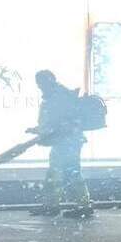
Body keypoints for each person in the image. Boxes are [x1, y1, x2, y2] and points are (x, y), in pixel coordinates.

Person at [29, 70, 92, 217]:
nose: (39, 86)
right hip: (67, 141)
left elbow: (61, 122)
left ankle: (75, 206)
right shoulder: (58, 95)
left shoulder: (59, 97)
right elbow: (57, 121)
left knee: (66, 173)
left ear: (48, 81)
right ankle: (76, 205)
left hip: (67, 142)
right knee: (63, 172)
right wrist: (40, 130)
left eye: (41, 83)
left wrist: (43, 131)